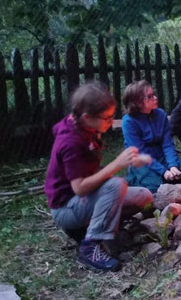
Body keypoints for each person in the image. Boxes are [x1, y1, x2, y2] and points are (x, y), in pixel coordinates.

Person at [45, 82, 154, 272]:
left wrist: (129, 161)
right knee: (115, 185)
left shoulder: (85, 128)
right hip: (66, 208)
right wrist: (117, 164)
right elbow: (79, 187)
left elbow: (91, 170)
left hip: (84, 200)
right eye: (108, 117)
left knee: (144, 196)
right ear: (87, 117)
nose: (111, 121)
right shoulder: (70, 142)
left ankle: (91, 228)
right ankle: (90, 246)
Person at [121, 80, 181, 192]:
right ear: (138, 103)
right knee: (154, 186)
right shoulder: (129, 122)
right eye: (150, 96)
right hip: (142, 161)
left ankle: (169, 180)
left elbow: (167, 143)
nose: (155, 98)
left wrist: (173, 165)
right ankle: (135, 179)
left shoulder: (160, 115)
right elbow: (140, 152)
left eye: (153, 94)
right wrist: (163, 171)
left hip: (161, 157)